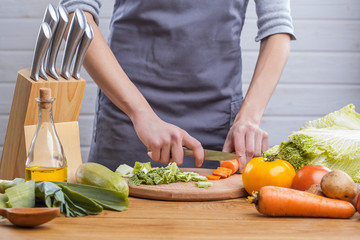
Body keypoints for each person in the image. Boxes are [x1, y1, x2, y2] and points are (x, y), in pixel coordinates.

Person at [60, 0, 295, 172]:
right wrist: (140, 113)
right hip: (128, 120)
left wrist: (249, 118)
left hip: (216, 131)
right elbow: (76, 15)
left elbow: (277, 28)